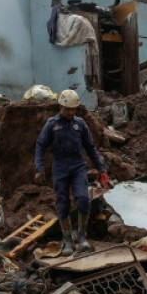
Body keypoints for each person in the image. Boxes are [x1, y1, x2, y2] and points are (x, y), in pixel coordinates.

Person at [34, 89, 106, 256]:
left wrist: (101, 168)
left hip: (77, 166)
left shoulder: (80, 124)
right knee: (63, 203)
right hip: (60, 167)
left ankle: (81, 236)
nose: (70, 112)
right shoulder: (52, 124)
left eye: (73, 109)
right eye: (67, 109)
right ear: (61, 106)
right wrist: (39, 169)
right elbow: (40, 146)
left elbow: (90, 147)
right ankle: (67, 238)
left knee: (82, 198)